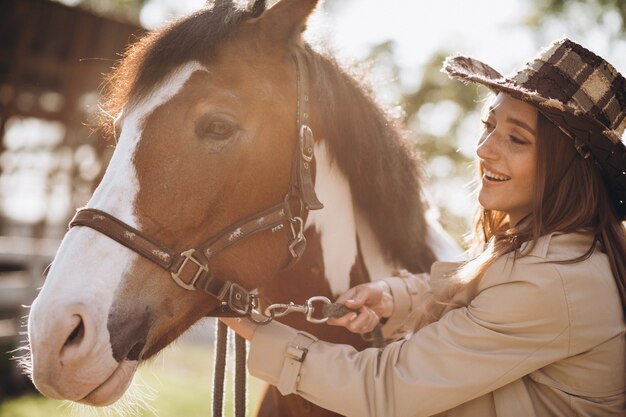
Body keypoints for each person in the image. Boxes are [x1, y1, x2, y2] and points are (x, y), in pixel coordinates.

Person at [222, 38, 626, 416]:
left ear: (568, 169)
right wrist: (392, 298)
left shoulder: (552, 282)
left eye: (516, 140)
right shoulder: (559, 258)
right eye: (489, 126)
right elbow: (479, 294)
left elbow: (385, 388)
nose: (483, 149)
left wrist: (255, 329)